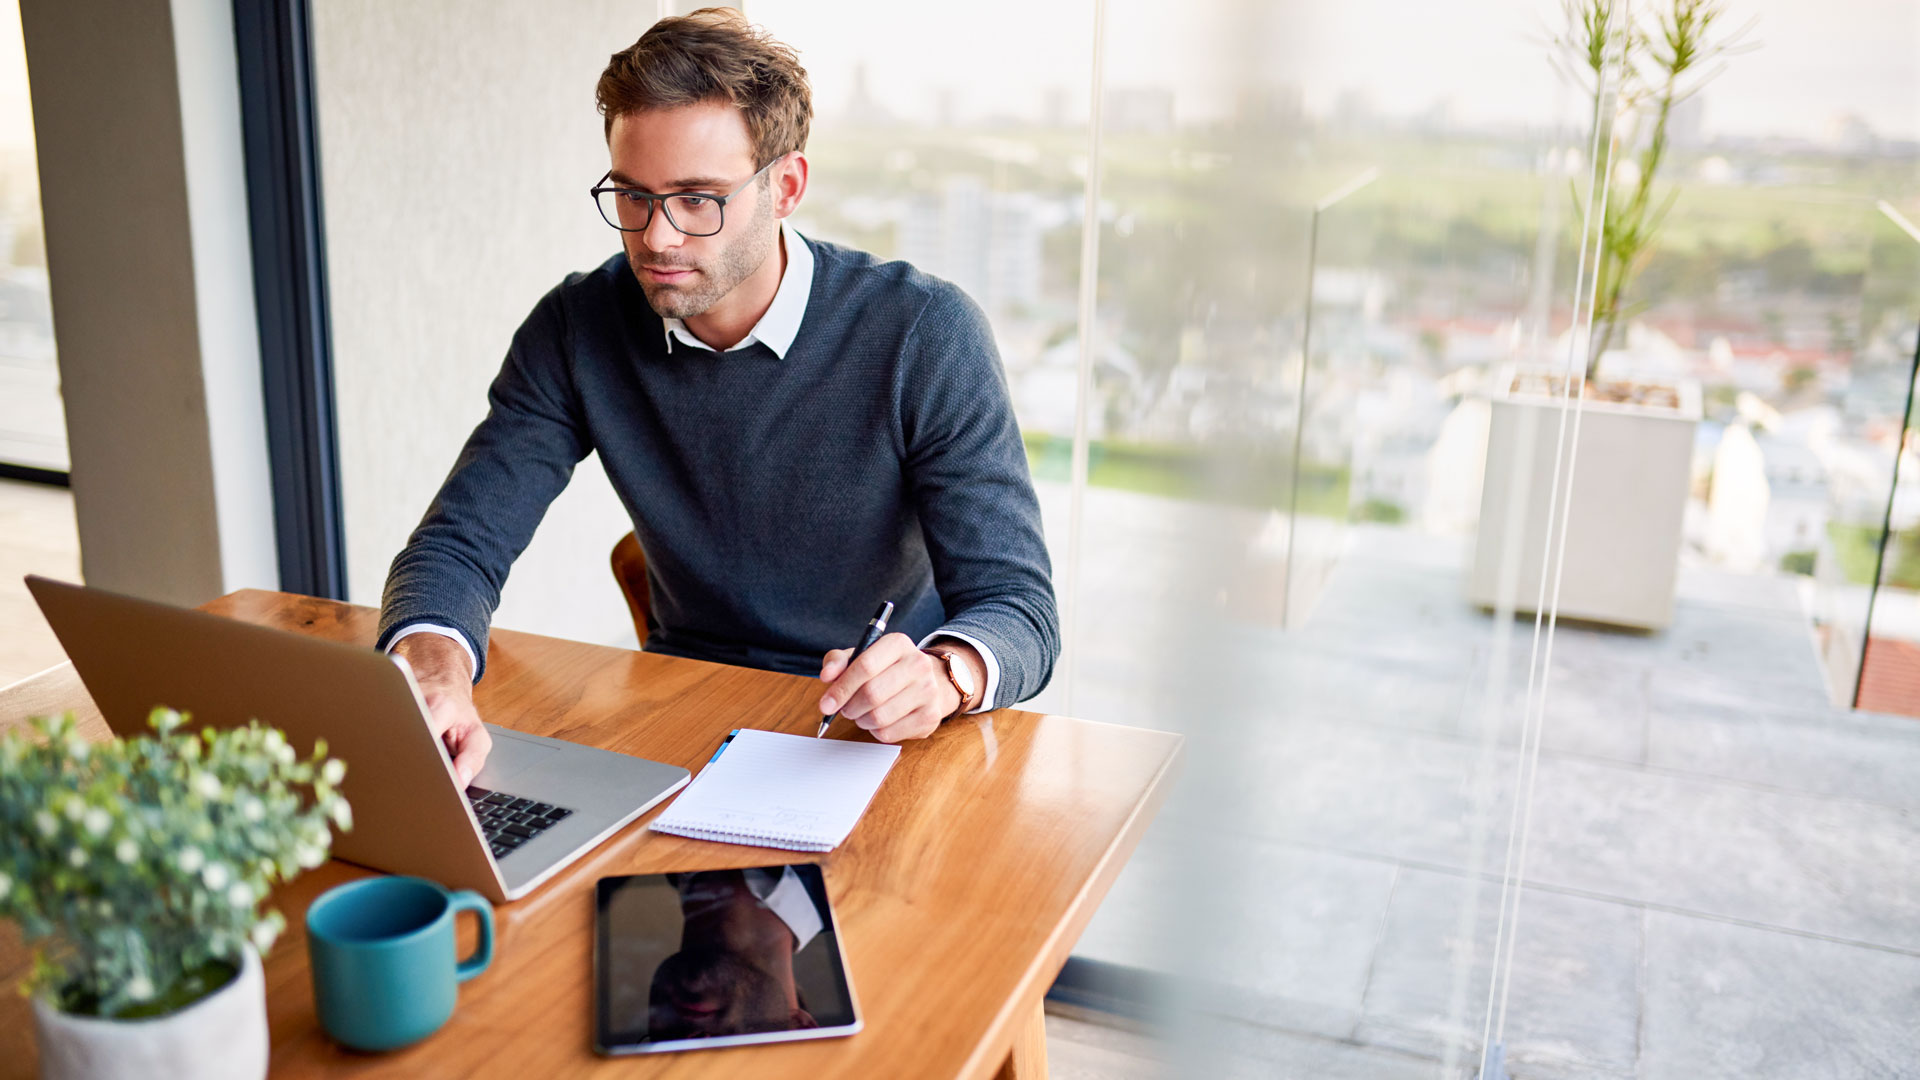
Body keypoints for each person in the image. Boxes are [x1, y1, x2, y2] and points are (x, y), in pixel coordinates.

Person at [377, 8, 1059, 784]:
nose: (656, 238)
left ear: (786, 186)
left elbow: (1019, 609)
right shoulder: (577, 328)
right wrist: (431, 671)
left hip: (880, 736)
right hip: (686, 714)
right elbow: (459, 543)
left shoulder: (924, 334)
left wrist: (943, 676)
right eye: (632, 196)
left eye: (697, 198)